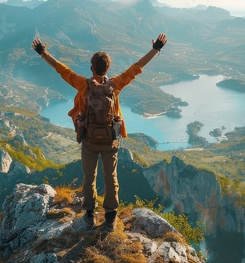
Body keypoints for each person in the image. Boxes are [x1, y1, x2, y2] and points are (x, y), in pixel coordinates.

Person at [31, 34, 167, 231]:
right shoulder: (115, 84)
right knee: (111, 176)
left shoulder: (82, 84)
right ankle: (111, 217)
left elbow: (61, 69)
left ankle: (89, 215)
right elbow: (137, 68)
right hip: (111, 140)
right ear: (107, 68)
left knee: (89, 177)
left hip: (89, 139)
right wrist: (155, 49)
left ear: (91, 68)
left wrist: (43, 53)